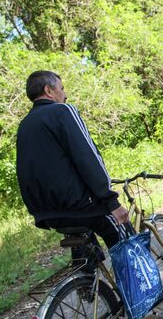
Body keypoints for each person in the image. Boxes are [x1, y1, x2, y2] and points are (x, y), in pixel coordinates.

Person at [16, 70, 129, 263]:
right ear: (48, 91)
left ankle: (87, 285)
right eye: (61, 88)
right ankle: (140, 291)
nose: (65, 94)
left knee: (84, 252)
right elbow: (86, 156)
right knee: (125, 239)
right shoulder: (62, 111)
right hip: (80, 206)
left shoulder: (25, 125)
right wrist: (110, 200)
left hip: (48, 213)